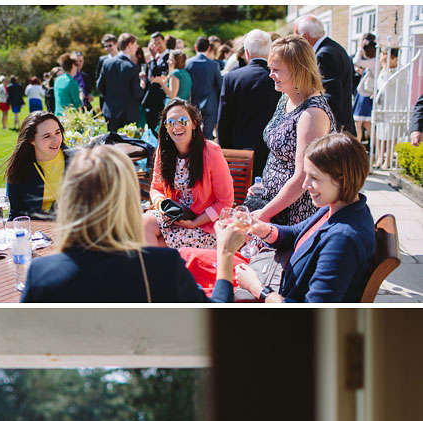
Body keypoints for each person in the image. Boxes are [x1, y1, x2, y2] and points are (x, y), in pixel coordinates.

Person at [19, 144, 247, 303]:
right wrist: (225, 254)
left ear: (69, 200)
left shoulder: (40, 275)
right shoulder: (163, 266)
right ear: (129, 200)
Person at [235, 132, 376, 302]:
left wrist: (256, 288)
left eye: (314, 177)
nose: (305, 185)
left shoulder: (342, 240)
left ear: (342, 180)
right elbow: (297, 233)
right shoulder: (342, 207)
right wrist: (262, 228)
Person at [245, 35, 335, 227]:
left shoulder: (312, 114)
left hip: (294, 212)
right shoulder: (286, 99)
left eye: (276, 70)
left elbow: (303, 176)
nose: (270, 74)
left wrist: (265, 213)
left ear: (298, 70)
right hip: (273, 202)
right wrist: (263, 186)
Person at [144, 100, 235, 251]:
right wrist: (162, 205)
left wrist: (195, 222)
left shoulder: (212, 152)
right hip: (173, 217)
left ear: (193, 124)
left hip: (205, 224)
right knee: (142, 224)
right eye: (170, 122)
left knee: (156, 245)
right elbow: (155, 188)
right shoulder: (164, 151)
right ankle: (155, 272)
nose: (176, 126)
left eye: (182, 120)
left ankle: (158, 273)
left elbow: (225, 202)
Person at [216, 30, 280, 178]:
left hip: (240, 150)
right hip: (272, 150)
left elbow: (224, 120)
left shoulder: (232, 78)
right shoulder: (278, 77)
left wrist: (226, 152)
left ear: (246, 52)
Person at [293, 15, 356, 135]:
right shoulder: (334, 47)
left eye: (296, 37)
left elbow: (331, 97)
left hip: (335, 129)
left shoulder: (324, 55)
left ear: (305, 37)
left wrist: (316, 122)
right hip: (342, 124)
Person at [5, 111, 73, 220]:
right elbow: (16, 215)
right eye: (47, 136)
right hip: (38, 233)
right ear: (32, 140)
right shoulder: (19, 168)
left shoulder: (78, 161)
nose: (55, 140)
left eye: (57, 132)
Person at [96, 34, 142, 132]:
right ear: (129, 45)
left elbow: (100, 87)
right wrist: (142, 85)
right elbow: (137, 93)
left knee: (112, 145)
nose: (136, 48)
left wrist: (110, 97)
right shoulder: (132, 67)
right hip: (128, 114)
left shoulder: (107, 63)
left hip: (111, 112)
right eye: (135, 45)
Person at [185, 38, 223, 137]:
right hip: (210, 104)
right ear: (209, 47)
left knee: (192, 135)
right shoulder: (214, 65)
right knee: (207, 136)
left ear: (195, 47)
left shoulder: (187, 64)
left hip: (192, 103)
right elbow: (220, 85)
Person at [143, 32, 171, 131]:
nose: (157, 46)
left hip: (160, 99)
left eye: (159, 43)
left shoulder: (169, 58)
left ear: (164, 42)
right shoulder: (153, 59)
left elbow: (160, 76)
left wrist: (152, 59)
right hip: (150, 99)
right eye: (154, 44)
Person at [352, 35, 376, 144]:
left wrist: (360, 49)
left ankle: (357, 148)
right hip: (363, 94)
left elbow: (356, 61)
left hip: (365, 95)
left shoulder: (374, 61)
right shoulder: (373, 62)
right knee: (366, 124)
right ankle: (376, 148)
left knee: (358, 123)